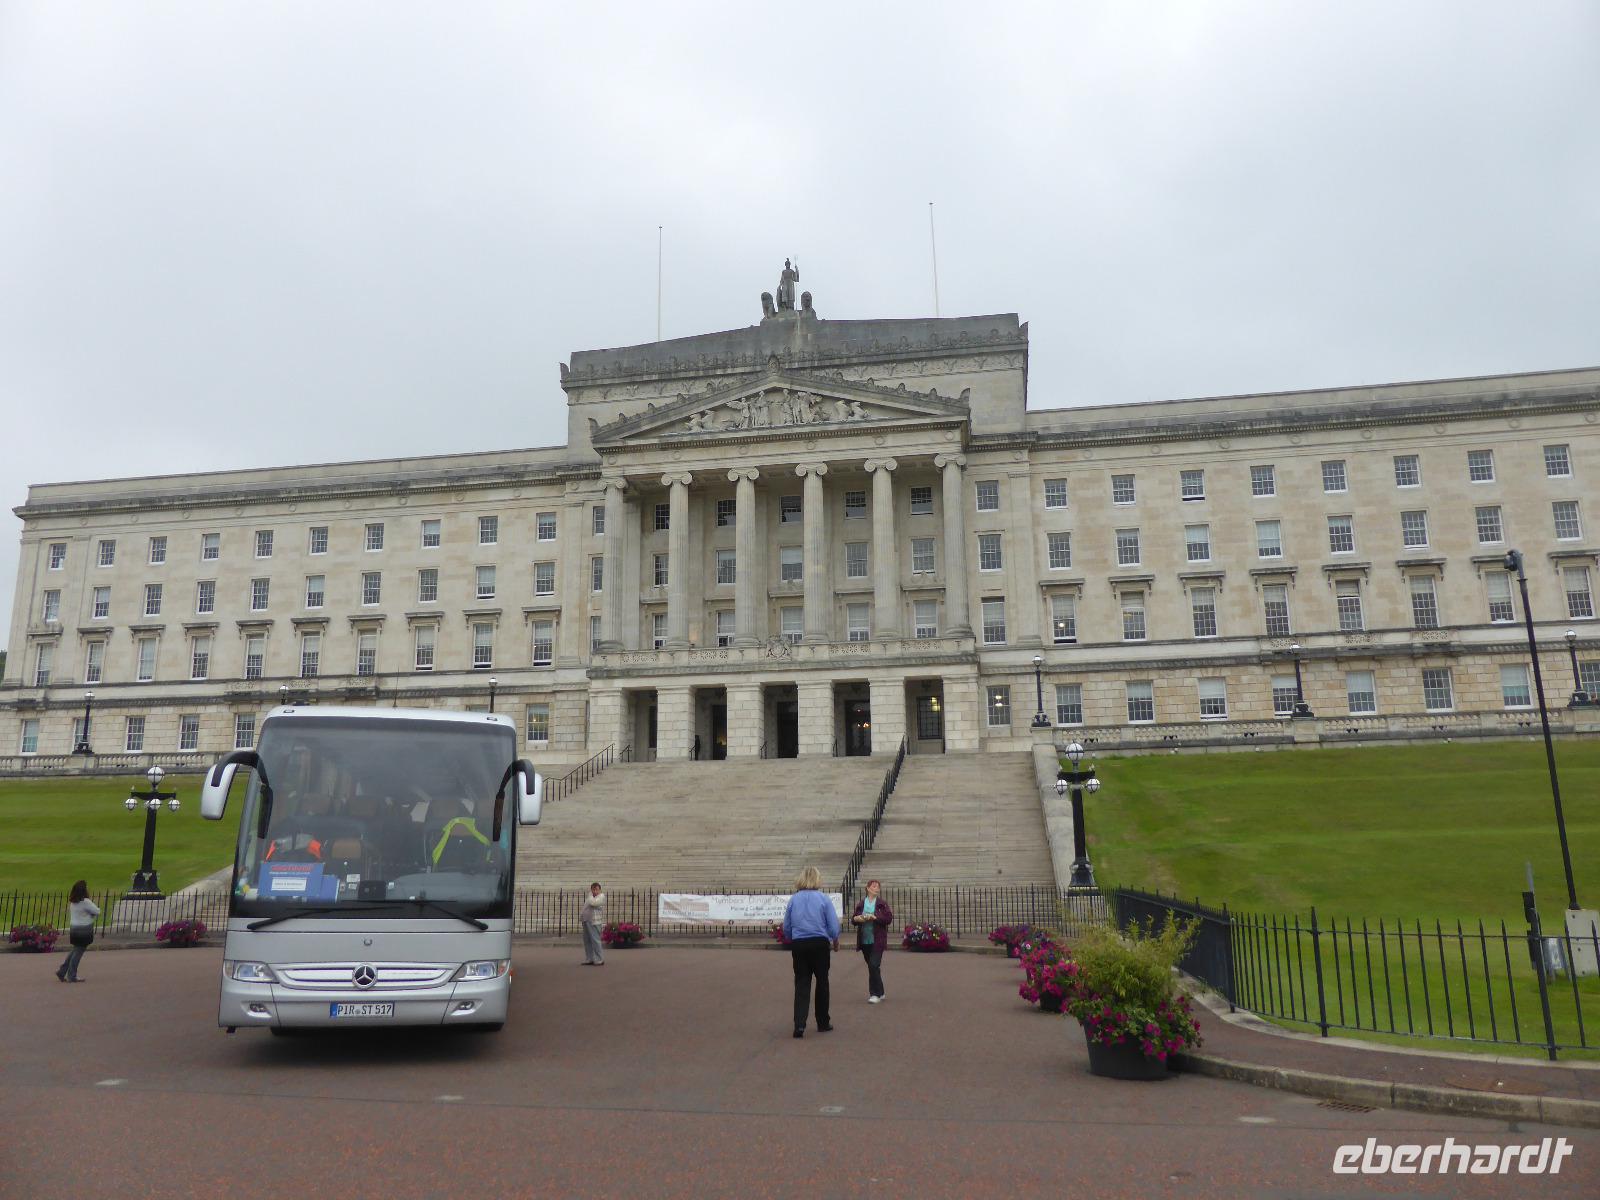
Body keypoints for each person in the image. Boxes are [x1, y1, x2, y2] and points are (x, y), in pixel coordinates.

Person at [782, 865, 839, 1038]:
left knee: (802, 983)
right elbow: (833, 927)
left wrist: (793, 937)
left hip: (800, 944)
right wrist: (833, 937)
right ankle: (822, 1021)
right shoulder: (823, 898)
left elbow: (787, 927)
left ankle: (799, 1024)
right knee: (822, 982)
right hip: (819, 943)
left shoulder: (794, 899)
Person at [850, 879, 893, 1003]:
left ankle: (874, 994)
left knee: (873, 965)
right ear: (868, 888)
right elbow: (854, 919)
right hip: (865, 940)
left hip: (877, 940)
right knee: (873, 967)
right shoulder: (862, 903)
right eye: (874, 886)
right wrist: (858, 918)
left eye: (878, 887)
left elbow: (888, 918)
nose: (876, 888)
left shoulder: (881, 904)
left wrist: (875, 917)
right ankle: (881, 992)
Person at [57, 880, 99, 983]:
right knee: (79, 951)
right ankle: (72, 975)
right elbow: (97, 911)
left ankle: (62, 971)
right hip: (84, 929)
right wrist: (91, 914)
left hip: (74, 928)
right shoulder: (85, 902)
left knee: (76, 949)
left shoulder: (73, 901)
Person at [581, 882, 605, 965]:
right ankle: (589, 958)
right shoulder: (590, 897)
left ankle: (599, 959)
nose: (595, 891)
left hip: (595, 921)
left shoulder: (601, 896)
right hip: (586, 920)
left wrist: (590, 895)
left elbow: (593, 903)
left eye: (596, 889)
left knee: (595, 940)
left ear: (600, 890)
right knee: (587, 940)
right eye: (593, 889)